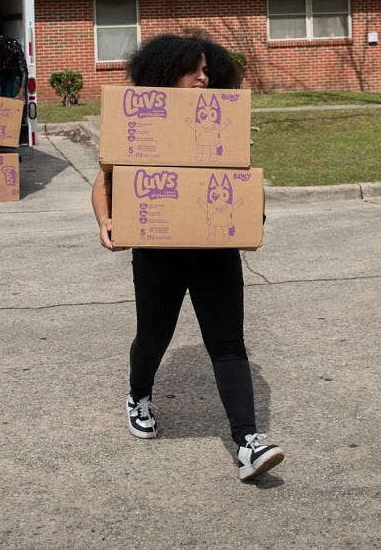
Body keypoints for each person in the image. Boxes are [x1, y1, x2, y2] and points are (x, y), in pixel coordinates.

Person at [91, 33, 284, 482]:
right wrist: (106, 222)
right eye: (193, 71)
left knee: (229, 344)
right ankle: (139, 396)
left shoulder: (220, 123)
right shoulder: (143, 124)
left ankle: (248, 442)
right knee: (153, 336)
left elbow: (242, 180)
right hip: (159, 252)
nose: (203, 78)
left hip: (215, 250)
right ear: (167, 74)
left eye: (207, 71)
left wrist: (250, 213)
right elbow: (105, 183)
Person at [0, 33, 27, 100]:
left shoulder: (14, 47)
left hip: (9, 72)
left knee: (7, 95)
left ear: (2, 52)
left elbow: (23, 70)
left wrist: (22, 90)